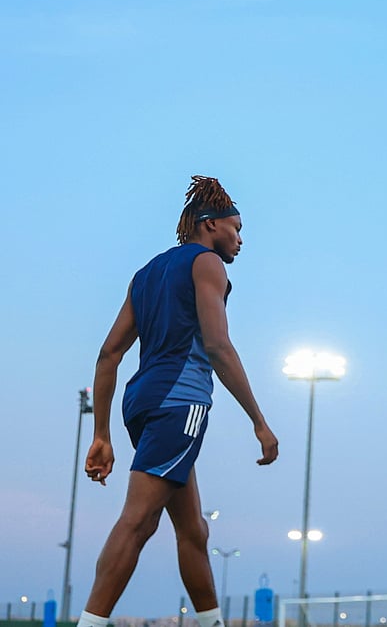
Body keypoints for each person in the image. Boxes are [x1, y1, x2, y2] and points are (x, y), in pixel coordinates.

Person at [77, 176, 279, 627]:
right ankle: (89, 623)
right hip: (180, 402)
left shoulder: (146, 273)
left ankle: (211, 622)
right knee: (139, 520)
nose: (241, 239)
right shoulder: (207, 263)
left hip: (140, 404)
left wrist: (102, 435)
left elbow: (109, 355)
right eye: (237, 227)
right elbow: (218, 346)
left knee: (193, 530)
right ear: (209, 226)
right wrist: (259, 422)